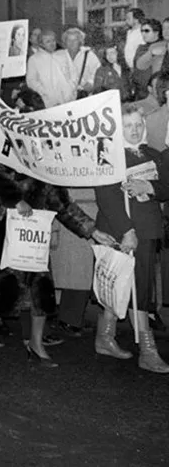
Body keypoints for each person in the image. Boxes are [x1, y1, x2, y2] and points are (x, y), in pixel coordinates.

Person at [0, 90, 118, 368]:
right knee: (0, 287)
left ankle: (37, 345)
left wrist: (91, 230)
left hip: (34, 231)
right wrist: (17, 200)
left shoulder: (47, 148)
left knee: (41, 287)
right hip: (3, 229)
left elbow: (61, 201)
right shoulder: (2, 140)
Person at [93, 105, 169, 373]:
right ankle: (145, 350)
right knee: (120, 283)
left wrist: (148, 186)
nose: (134, 130)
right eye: (128, 126)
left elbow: (166, 188)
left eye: (138, 124)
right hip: (119, 230)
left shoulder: (154, 155)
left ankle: (107, 338)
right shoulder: (108, 156)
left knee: (140, 288)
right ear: (118, 128)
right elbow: (106, 196)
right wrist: (127, 230)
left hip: (148, 231)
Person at [26, 30, 76, 108]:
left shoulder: (63, 54)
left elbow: (74, 73)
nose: (52, 43)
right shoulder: (34, 59)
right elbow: (31, 81)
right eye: (48, 41)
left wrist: (71, 89)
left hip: (69, 100)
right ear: (41, 44)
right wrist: (44, 92)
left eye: (53, 40)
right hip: (49, 103)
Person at [58, 27, 100, 98]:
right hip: (64, 98)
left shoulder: (89, 55)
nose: (72, 43)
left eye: (75, 40)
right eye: (69, 40)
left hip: (83, 96)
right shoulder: (59, 56)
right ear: (65, 42)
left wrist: (90, 83)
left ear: (80, 41)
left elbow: (97, 72)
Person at [130, 19, 165, 96]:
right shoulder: (140, 48)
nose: (143, 34)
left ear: (156, 32)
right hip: (139, 91)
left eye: (146, 31)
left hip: (155, 92)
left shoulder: (164, 46)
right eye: (142, 31)